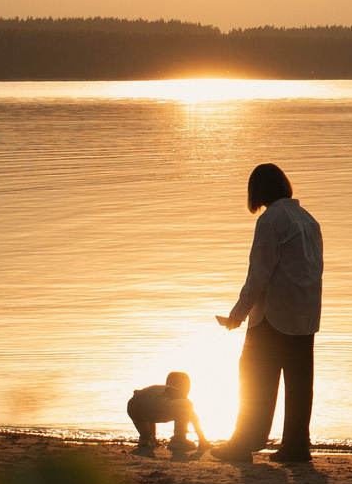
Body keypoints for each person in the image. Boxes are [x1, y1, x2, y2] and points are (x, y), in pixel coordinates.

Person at [210, 161, 324, 466]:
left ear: (258, 191)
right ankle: (297, 444)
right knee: (300, 383)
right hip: (304, 315)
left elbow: (259, 273)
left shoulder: (271, 220)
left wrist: (238, 314)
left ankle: (245, 441)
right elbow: (314, 271)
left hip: (274, 315)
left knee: (254, 377)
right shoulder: (308, 220)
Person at [126, 371, 206, 456]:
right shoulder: (176, 391)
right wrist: (202, 439)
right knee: (187, 405)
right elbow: (193, 417)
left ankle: (145, 437)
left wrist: (153, 437)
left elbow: (150, 414)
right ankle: (179, 439)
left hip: (133, 405)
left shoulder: (158, 391)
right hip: (150, 405)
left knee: (146, 413)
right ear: (184, 386)